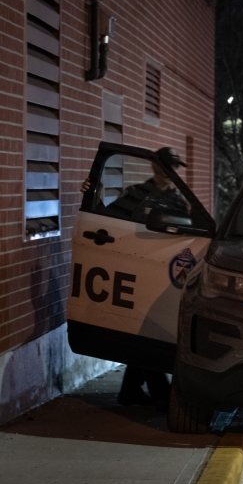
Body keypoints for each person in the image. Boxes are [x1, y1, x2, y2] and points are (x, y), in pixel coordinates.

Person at [80, 146, 189, 408]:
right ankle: (155, 391)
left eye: (174, 167)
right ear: (155, 167)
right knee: (143, 329)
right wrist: (94, 194)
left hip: (163, 273)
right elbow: (109, 220)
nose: (170, 172)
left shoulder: (180, 201)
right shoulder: (138, 194)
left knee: (148, 331)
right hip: (137, 268)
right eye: (166, 166)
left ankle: (132, 390)